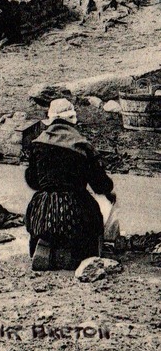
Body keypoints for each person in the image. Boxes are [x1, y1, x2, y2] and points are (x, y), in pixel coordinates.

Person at [25, 97, 116, 270]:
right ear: (72, 120)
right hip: (74, 210)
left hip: (43, 212)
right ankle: (73, 254)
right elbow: (100, 185)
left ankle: (46, 245)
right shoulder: (82, 146)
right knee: (92, 222)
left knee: (37, 216)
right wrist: (109, 192)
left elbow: (33, 182)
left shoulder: (37, 145)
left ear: (51, 120)